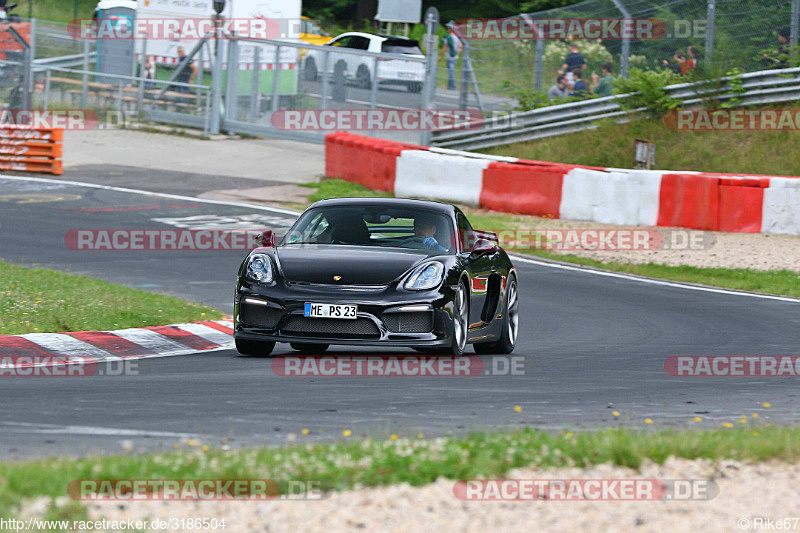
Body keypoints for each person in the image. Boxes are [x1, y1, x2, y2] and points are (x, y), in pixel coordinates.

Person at [440, 21, 462, 91]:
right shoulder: (458, 37)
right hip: (455, 57)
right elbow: (461, 47)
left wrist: (441, 55)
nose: (447, 29)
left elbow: (444, 46)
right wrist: (457, 53)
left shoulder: (448, 37)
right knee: (451, 71)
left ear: (450, 29)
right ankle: (449, 86)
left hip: (449, 57)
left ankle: (453, 86)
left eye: (447, 28)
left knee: (450, 71)